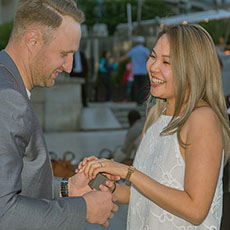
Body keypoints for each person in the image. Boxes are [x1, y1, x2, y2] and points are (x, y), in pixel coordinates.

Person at [78, 24, 230, 229]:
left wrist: (128, 172)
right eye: (153, 56)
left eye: (167, 61)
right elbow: (137, 193)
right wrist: (109, 182)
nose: (153, 67)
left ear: (193, 68)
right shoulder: (154, 116)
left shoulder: (201, 119)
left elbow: (196, 211)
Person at [0, 0, 117, 229]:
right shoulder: (8, 99)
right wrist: (83, 208)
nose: (69, 67)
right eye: (64, 53)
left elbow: (15, 180)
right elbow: (4, 213)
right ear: (32, 40)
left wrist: (68, 188)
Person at [120, 36, 150, 104]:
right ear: (143, 42)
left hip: (136, 71)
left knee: (137, 86)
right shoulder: (145, 50)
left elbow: (125, 57)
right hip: (143, 71)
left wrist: (118, 61)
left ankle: (137, 100)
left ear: (137, 43)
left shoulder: (133, 50)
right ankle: (142, 100)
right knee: (143, 86)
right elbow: (150, 57)